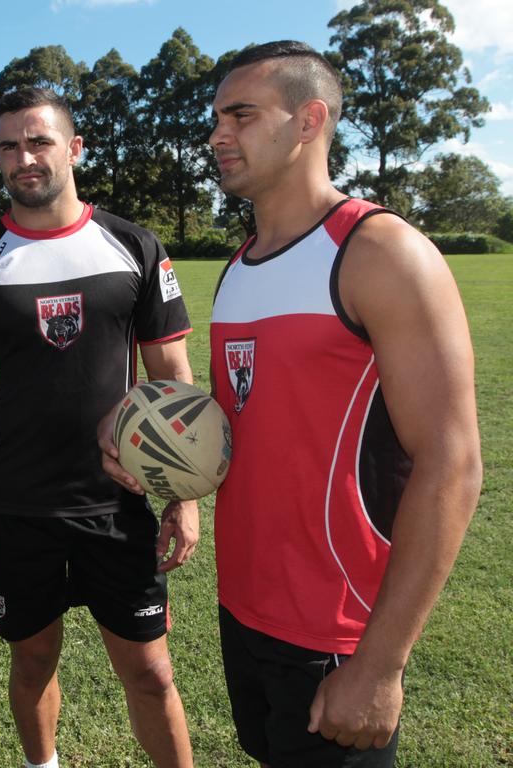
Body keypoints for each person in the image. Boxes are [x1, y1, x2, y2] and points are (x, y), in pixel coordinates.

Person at [203, 40, 480, 767]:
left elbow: (452, 465)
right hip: (245, 608)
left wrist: (382, 663)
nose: (217, 135)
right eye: (216, 118)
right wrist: (155, 445)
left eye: (241, 115)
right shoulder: (239, 265)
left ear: (308, 120)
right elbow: (248, 423)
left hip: (337, 629)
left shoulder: (378, 252)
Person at [0, 86, 197, 768]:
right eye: (9, 145)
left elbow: (172, 382)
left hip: (119, 504)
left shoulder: (134, 248)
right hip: (16, 508)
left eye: (40, 141)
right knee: (32, 661)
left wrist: (184, 495)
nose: (24, 157)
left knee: (151, 673)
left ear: (74, 148)